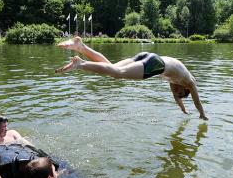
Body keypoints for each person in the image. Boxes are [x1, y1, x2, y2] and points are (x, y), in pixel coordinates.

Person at [56, 37, 208, 120]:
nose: (175, 92)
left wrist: (184, 111)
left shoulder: (176, 80)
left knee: (113, 69)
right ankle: (80, 64)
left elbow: (177, 99)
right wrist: (202, 114)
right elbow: (197, 100)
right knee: (118, 72)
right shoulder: (190, 82)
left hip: (148, 57)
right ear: (186, 89)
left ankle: (81, 47)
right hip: (155, 63)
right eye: (179, 92)